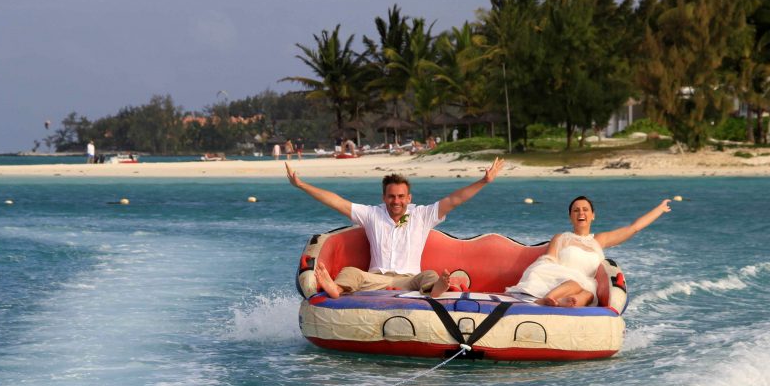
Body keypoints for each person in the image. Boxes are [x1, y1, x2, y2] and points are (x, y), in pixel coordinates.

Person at [286, 158, 505, 298]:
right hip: (375, 279)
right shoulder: (372, 214)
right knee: (350, 272)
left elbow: (455, 199)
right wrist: (302, 185)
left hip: (410, 279)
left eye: (401, 196)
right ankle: (337, 289)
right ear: (384, 197)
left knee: (429, 274)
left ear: (409, 198)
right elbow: (337, 201)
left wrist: (484, 181)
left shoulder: (422, 215)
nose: (396, 201)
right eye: (391, 196)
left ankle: (436, 289)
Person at [507, 196, 672, 307]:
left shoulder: (599, 240)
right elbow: (549, 259)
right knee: (574, 284)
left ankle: (567, 303)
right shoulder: (561, 238)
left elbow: (634, 228)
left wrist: (659, 209)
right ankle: (546, 300)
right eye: (576, 210)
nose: (581, 213)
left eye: (585, 209)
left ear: (593, 215)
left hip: (584, 285)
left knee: (588, 296)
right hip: (556, 280)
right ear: (570, 216)